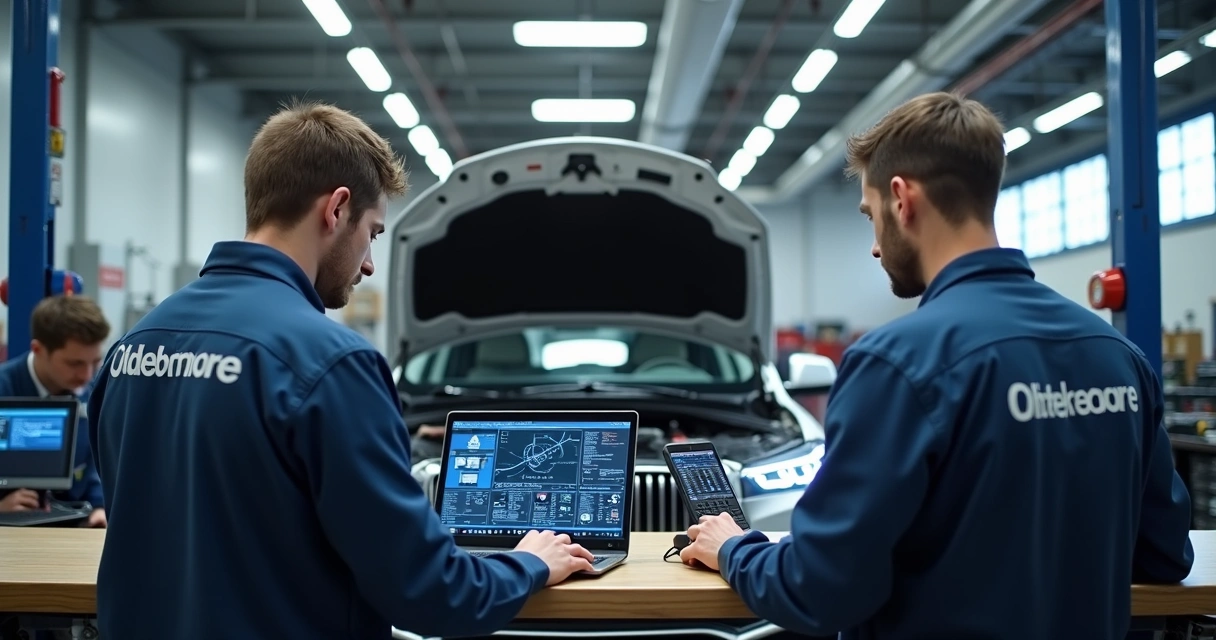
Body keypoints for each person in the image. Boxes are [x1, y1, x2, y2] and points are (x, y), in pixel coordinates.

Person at [678, 92, 1195, 639]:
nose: (876, 246)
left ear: (902, 200)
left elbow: (820, 589)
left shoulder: (897, 364)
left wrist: (735, 547)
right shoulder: (1118, 357)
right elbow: (1165, 556)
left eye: (870, 215)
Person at [87, 102, 594, 640]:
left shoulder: (135, 346)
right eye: (373, 233)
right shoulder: (331, 362)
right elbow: (434, 595)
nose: (369, 263)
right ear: (336, 209)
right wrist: (531, 562)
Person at [0, 294, 108, 528]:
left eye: (95, 362)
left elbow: (96, 466)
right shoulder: (4, 388)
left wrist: (100, 507)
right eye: (74, 363)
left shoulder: (94, 394)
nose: (87, 375)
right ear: (38, 349)